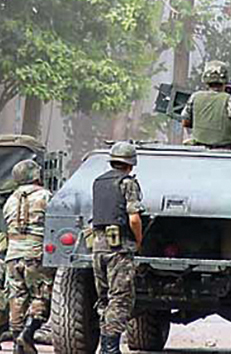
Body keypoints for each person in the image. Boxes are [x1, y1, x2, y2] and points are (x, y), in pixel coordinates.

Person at [91, 141, 145, 354]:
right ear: (131, 164)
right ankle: (110, 348)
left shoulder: (98, 182)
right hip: (119, 248)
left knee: (104, 298)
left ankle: (105, 346)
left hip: (98, 247)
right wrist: (138, 240)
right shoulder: (127, 183)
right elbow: (134, 218)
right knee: (120, 298)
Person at [4, 159, 54, 354]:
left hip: (12, 254)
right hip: (35, 253)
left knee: (17, 296)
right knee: (41, 295)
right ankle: (27, 334)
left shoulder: (10, 200)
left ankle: (18, 343)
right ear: (36, 176)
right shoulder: (45, 196)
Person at [181, 60, 231, 149]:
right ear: (225, 80)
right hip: (225, 155)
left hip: (198, 153)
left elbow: (185, 123)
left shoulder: (195, 97)